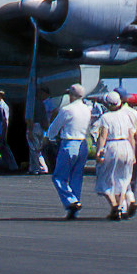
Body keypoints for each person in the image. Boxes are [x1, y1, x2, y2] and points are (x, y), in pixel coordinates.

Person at [44, 83, 93, 218]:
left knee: (59, 177)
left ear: (72, 95)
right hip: (82, 143)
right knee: (76, 177)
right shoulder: (87, 109)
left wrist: (49, 136)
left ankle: (71, 201)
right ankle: (74, 209)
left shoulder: (67, 109)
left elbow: (55, 127)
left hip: (69, 142)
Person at [92, 90, 137, 219]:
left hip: (112, 146)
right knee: (124, 179)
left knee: (105, 178)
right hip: (126, 146)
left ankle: (114, 205)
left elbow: (103, 136)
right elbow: (131, 136)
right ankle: (121, 206)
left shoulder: (105, 117)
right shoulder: (126, 116)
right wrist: (134, 153)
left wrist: (99, 151)